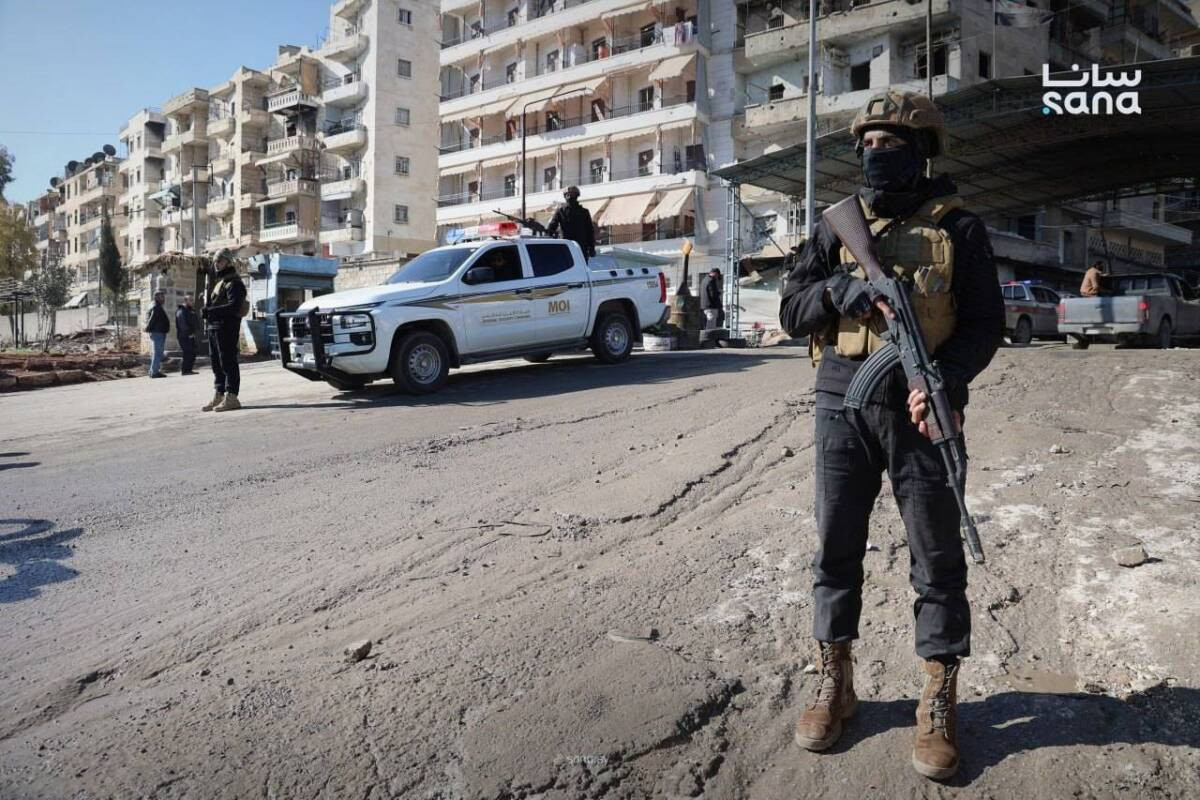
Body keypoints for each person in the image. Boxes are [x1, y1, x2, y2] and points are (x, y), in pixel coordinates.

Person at [778, 89, 1004, 780]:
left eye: (892, 143)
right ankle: (835, 681)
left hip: (919, 406)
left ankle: (937, 695)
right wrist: (838, 293)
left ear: (923, 151)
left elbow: (984, 326)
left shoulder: (959, 228)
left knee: (937, 554)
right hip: (840, 400)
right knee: (835, 546)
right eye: (868, 143)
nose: (877, 153)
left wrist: (945, 384)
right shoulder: (836, 228)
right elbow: (791, 310)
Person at [201, 249, 247, 412]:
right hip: (215, 328)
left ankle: (232, 396)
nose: (216, 264)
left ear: (228, 262)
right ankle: (219, 393)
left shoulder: (235, 283)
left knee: (228, 362)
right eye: (215, 261)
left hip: (227, 328)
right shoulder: (220, 282)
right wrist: (207, 309)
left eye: (219, 261)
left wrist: (211, 311)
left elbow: (234, 307)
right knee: (216, 364)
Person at [545, 185, 596, 259]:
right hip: (569, 248)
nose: (569, 197)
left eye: (572, 195)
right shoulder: (561, 211)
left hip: (576, 248)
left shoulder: (583, 212)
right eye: (568, 195)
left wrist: (592, 248)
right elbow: (551, 229)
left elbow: (590, 231)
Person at [144, 290, 170, 378]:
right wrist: (148, 328)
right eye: (162, 297)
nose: (164, 299)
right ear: (156, 298)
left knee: (158, 352)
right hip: (157, 332)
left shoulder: (154, 305)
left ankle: (153, 371)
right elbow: (152, 318)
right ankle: (154, 372)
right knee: (158, 352)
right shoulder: (156, 307)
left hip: (158, 332)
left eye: (164, 297)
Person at [175, 295, 199, 375]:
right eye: (190, 300)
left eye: (192, 300)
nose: (192, 301)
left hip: (190, 335)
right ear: (185, 301)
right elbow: (182, 325)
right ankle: (185, 371)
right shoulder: (181, 311)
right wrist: (188, 333)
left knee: (193, 352)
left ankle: (189, 369)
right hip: (184, 336)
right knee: (188, 352)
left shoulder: (190, 310)